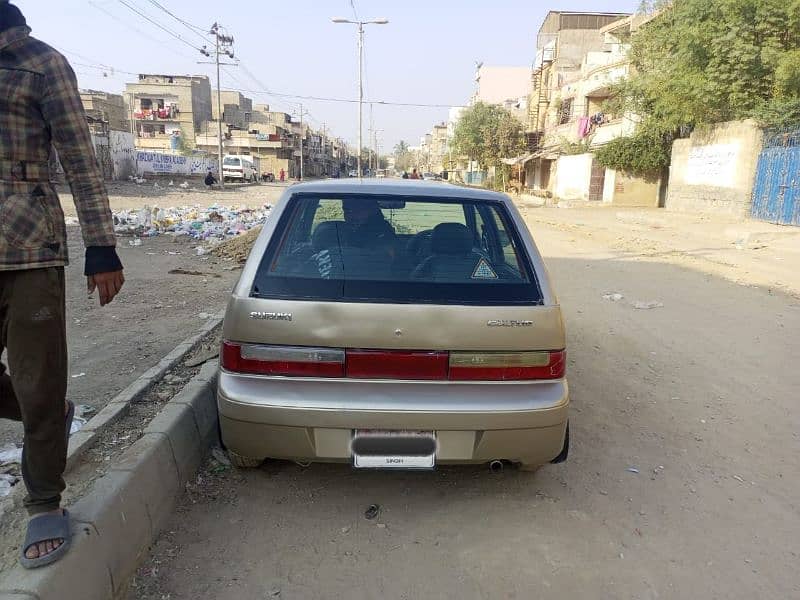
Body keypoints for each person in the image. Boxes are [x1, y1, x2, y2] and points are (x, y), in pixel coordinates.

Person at [0, 2, 124, 569]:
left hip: (29, 249)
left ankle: (43, 500)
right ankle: (48, 411)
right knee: (38, 396)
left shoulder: (42, 64)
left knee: (38, 374)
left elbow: (79, 160)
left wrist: (101, 247)